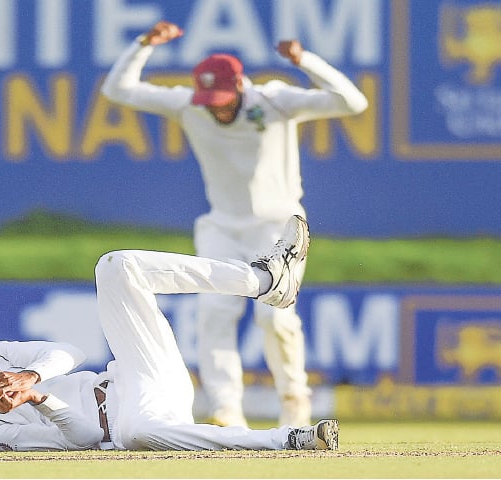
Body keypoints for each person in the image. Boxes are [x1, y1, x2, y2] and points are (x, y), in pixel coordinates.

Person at [100, 21, 368, 428]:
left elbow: (352, 103)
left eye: (223, 98)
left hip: (278, 226)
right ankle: (226, 410)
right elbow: (119, 91)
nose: (216, 107)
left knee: (275, 317)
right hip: (221, 226)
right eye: (210, 99)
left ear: (242, 86)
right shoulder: (190, 104)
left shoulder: (275, 100)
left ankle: (294, 401)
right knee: (214, 312)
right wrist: (142, 45)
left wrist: (306, 61)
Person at [0, 215, 338, 452]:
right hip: (128, 422)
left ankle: (264, 281)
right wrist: (42, 403)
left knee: (116, 266)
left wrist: (31, 379)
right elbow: (79, 440)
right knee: (138, 431)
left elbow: (71, 350)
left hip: (135, 375)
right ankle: (291, 439)